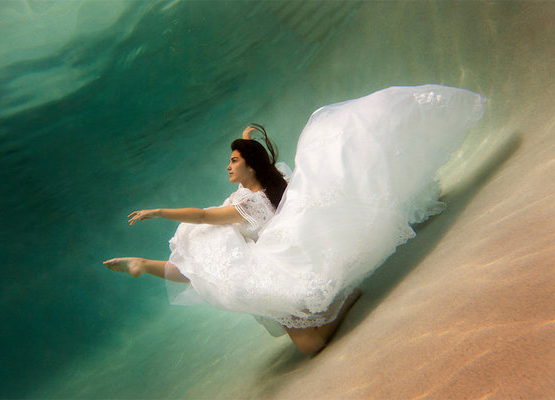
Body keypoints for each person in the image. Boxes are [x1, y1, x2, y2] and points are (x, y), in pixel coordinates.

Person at [104, 84, 487, 355]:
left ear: (251, 166)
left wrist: (157, 211)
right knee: (205, 253)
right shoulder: (276, 181)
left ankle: (343, 299)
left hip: (279, 265)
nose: (228, 166)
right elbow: (251, 168)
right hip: (284, 250)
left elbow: (203, 214)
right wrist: (244, 138)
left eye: (234, 160)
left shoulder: (247, 205)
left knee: (310, 344)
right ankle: (144, 265)